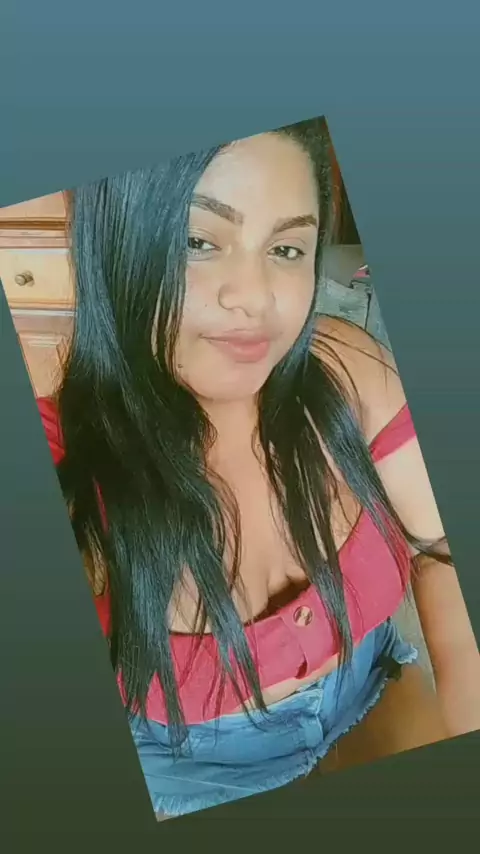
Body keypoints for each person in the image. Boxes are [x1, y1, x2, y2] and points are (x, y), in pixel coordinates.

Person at [37, 117, 480, 819]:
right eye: (198, 241)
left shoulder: (346, 369)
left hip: (369, 689)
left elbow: (442, 548)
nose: (256, 296)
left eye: (285, 248)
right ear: (115, 243)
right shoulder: (63, 464)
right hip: (193, 770)